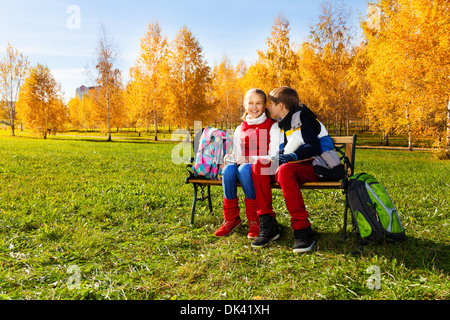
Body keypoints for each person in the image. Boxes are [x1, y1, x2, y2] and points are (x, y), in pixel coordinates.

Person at [251, 86, 338, 253]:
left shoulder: (304, 118)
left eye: (271, 104)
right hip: (297, 165)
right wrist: (277, 157)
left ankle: (302, 230)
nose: (269, 107)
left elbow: (313, 147)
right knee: (259, 167)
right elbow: (286, 149)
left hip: (318, 165)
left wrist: (291, 157)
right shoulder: (283, 124)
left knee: (285, 171)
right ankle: (268, 225)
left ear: (281, 105)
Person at [215, 88, 280, 239]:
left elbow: (273, 155)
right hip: (243, 166)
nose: (254, 107)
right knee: (229, 170)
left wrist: (250, 159)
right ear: (245, 105)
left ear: (265, 106)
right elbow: (238, 154)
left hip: (263, 169)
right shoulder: (240, 128)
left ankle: (254, 219)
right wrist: (229, 159)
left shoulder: (272, 125)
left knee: (244, 168)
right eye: (250, 103)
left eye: (258, 103)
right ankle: (231, 219)